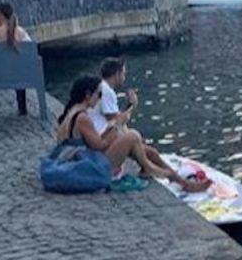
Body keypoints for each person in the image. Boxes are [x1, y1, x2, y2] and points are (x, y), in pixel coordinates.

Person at [90, 57, 210, 192]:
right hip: (103, 150)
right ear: (117, 74)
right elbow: (117, 121)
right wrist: (133, 105)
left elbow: (115, 122)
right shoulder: (106, 91)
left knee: (151, 152)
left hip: (108, 141)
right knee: (134, 136)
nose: (124, 77)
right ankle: (155, 171)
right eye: (123, 74)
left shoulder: (104, 89)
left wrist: (129, 108)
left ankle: (181, 181)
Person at [57, 76, 169, 177]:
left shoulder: (70, 112)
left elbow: (92, 142)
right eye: (99, 94)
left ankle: (149, 168)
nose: (100, 99)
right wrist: (118, 125)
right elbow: (100, 146)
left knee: (131, 139)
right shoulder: (82, 117)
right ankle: (149, 168)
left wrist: (112, 129)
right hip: (84, 167)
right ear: (87, 94)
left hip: (76, 160)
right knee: (132, 136)